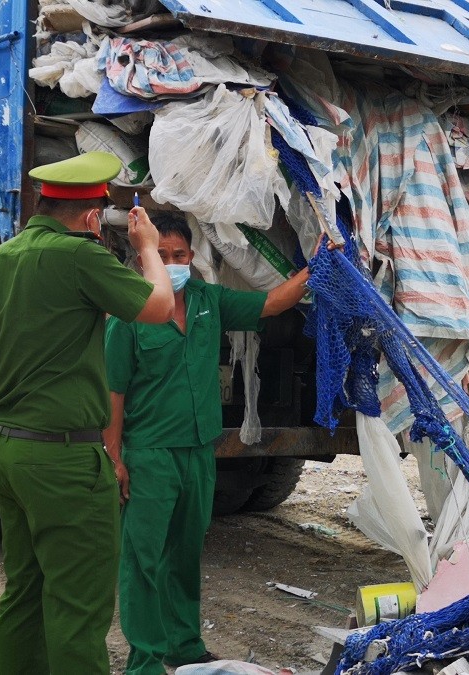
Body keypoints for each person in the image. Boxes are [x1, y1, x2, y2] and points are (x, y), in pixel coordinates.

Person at [0, 151, 175, 675]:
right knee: (77, 610)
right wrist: (150, 249)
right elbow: (158, 308)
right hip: (65, 463)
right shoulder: (79, 256)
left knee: (23, 595)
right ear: (93, 217)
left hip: (7, 452)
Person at [104, 216, 327, 674]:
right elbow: (114, 393)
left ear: (192, 257)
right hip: (150, 453)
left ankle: (183, 645)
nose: (171, 264)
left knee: (185, 553)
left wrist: (315, 268)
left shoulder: (209, 300)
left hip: (199, 451)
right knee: (143, 559)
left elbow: (270, 304)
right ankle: (144, 660)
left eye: (179, 256)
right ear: (145, 259)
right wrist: (115, 457)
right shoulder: (130, 312)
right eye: (161, 256)